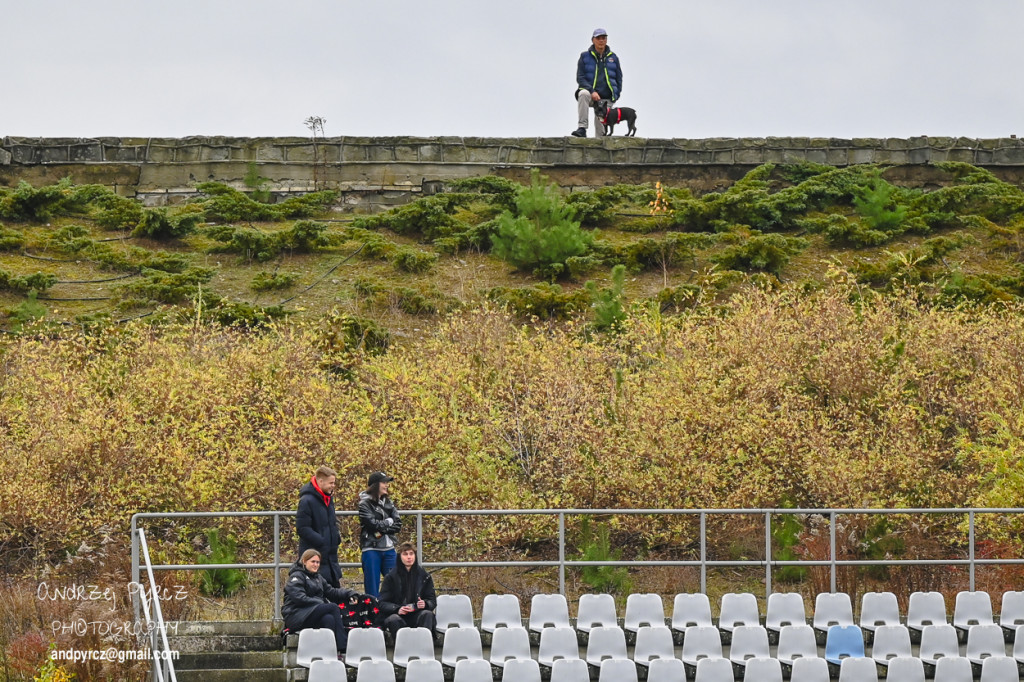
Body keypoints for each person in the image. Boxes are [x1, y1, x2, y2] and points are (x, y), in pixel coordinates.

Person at [282, 549, 359, 654]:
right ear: (304, 561)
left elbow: (332, 592)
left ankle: (330, 651)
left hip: (310, 613)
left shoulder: (318, 577)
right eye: (312, 562)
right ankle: (343, 647)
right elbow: (299, 598)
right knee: (332, 607)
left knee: (329, 619)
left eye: (317, 562)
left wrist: (349, 593)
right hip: (296, 615)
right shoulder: (296, 576)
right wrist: (320, 602)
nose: (316, 565)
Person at [377, 542, 437, 638]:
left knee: (427, 614)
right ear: (399, 557)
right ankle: (401, 649)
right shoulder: (391, 577)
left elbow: (432, 600)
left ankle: (424, 646)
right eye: (405, 554)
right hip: (398, 614)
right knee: (393, 619)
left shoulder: (424, 576)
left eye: (411, 554)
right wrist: (397, 609)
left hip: (417, 613)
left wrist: (425, 604)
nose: (409, 557)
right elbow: (382, 603)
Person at [571, 28, 623, 138]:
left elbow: (619, 77)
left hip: (606, 99)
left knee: (601, 134)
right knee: (583, 94)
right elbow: (580, 78)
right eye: (598, 38)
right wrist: (592, 91)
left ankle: (600, 147)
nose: (601, 40)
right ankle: (582, 128)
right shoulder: (585, 56)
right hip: (591, 95)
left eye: (603, 38)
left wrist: (616, 95)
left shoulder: (613, 57)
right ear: (593, 40)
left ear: (606, 40)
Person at [357, 471, 402, 597]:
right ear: (375, 485)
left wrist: (383, 526)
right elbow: (371, 524)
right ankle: (374, 613)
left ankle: (391, 612)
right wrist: (388, 521)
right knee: (372, 589)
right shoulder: (364, 504)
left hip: (389, 549)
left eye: (387, 482)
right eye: (384, 482)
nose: (387, 485)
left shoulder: (389, 502)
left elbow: (398, 524)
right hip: (371, 549)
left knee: (396, 585)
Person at [296, 466, 342, 587]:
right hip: (316, 556)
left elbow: (331, 523)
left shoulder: (328, 498)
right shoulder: (306, 500)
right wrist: (322, 541)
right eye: (331, 483)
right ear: (320, 481)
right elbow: (302, 528)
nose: (333, 486)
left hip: (330, 557)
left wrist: (336, 537)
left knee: (335, 594)